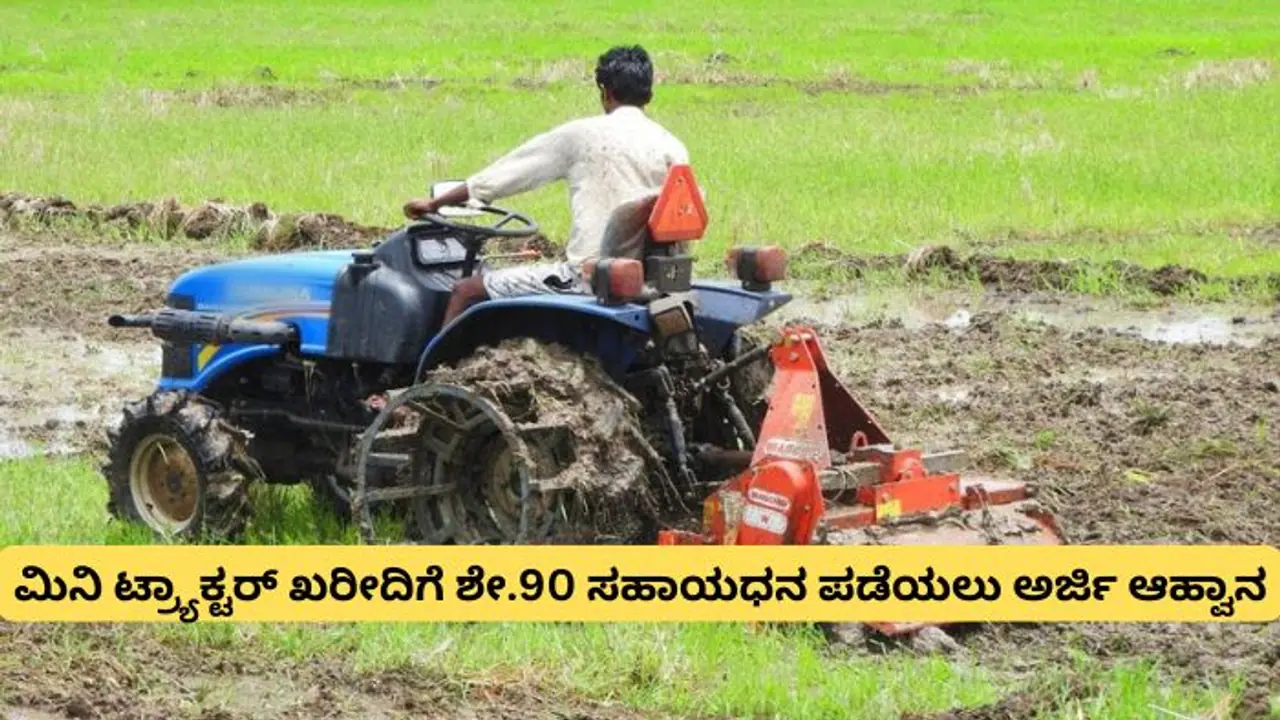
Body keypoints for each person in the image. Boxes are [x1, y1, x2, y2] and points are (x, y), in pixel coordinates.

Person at [403, 45, 689, 325]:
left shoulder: (583, 136)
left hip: (586, 277)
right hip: (651, 280)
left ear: (605, 92)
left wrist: (435, 203)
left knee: (465, 290)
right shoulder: (672, 146)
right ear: (648, 93)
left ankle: (441, 359)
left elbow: (504, 176)